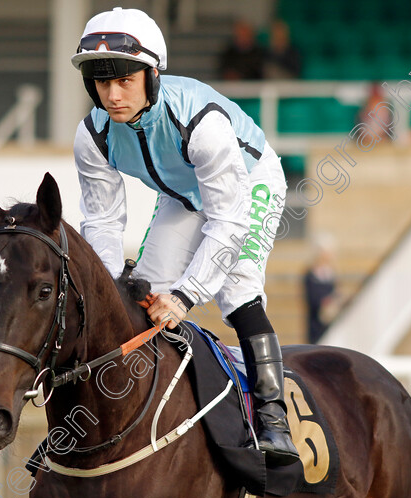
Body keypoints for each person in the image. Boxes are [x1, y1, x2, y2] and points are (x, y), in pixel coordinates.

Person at [71, 7, 299, 466]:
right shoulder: (91, 134)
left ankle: (274, 420)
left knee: (238, 293)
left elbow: (229, 222)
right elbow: (101, 224)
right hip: (183, 194)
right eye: (101, 82)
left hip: (249, 181)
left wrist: (187, 296)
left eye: (124, 81)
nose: (112, 96)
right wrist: (112, 288)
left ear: (153, 75)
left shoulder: (201, 121)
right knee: (143, 305)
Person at [303, 239, 338, 344]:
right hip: (316, 322)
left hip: (329, 322)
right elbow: (311, 298)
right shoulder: (311, 274)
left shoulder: (330, 273)